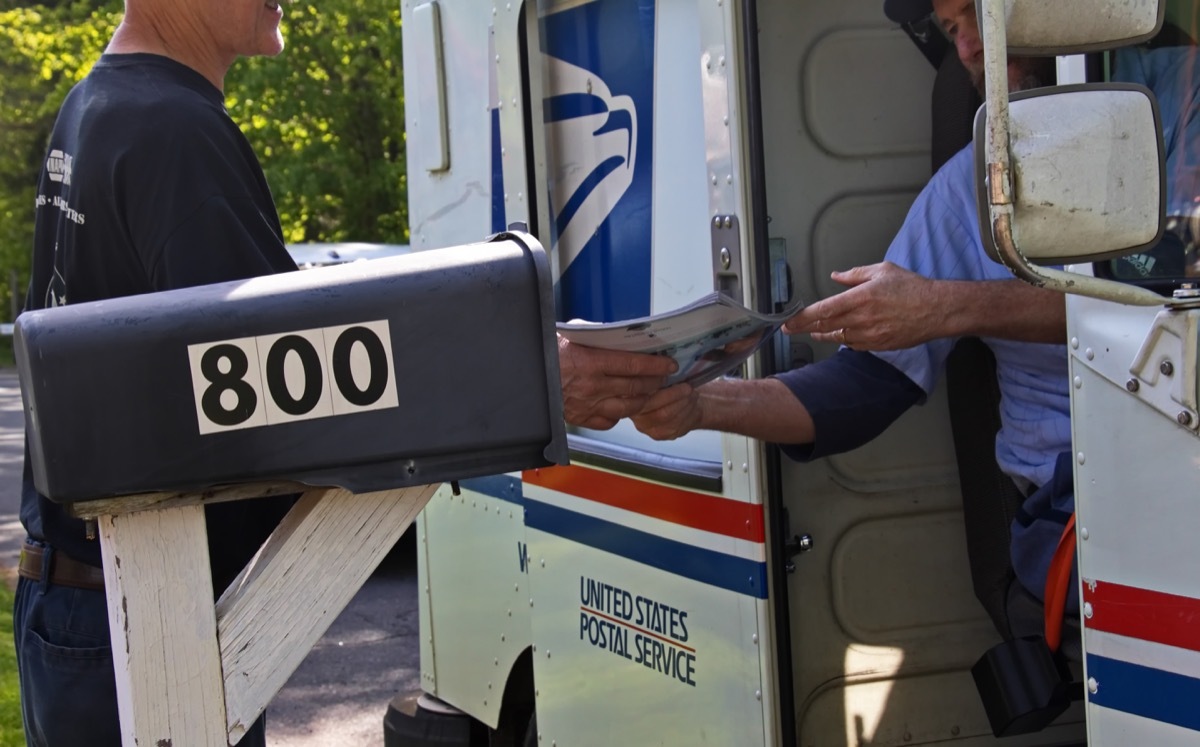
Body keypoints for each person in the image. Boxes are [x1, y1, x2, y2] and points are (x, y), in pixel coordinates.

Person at [13, 1, 672, 745]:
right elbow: (294, 389)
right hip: (139, 637)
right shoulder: (171, 130)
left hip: (83, 607)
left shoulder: (98, 103)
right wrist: (528, 376)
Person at [631, 0, 1200, 646]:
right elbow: (869, 384)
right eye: (953, 28)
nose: (964, 48)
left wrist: (949, 304)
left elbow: (1171, 295)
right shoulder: (973, 187)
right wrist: (702, 406)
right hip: (1086, 504)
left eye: (976, 15)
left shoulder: (1178, 89)